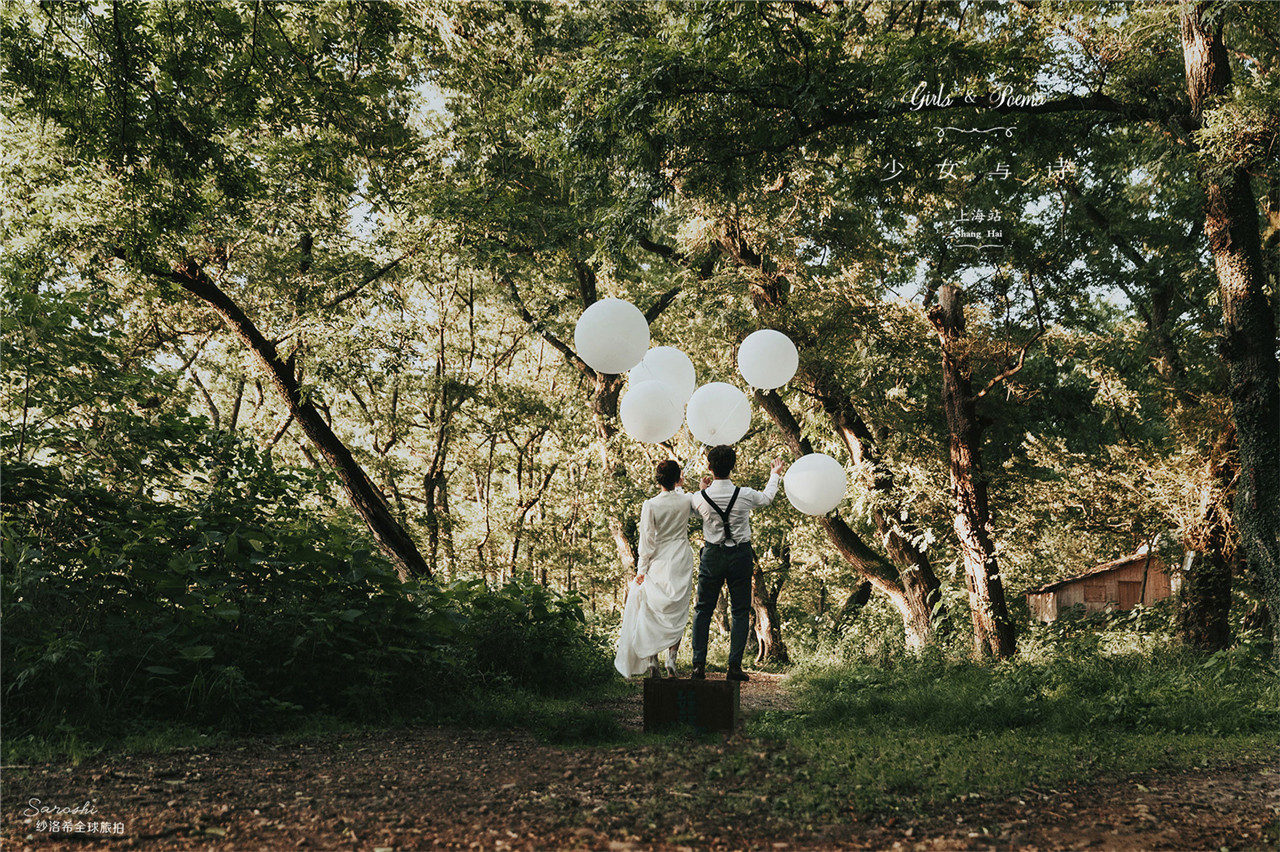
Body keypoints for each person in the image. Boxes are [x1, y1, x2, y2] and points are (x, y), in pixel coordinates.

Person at [688, 445, 785, 682]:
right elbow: (767, 498)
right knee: (740, 611)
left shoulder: (699, 498)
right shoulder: (745, 494)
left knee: (703, 610)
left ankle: (698, 666)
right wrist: (775, 475)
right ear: (733, 467)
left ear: (709, 467)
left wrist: (702, 491)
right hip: (740, 555)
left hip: (712, 555)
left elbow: (696, 513)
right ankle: (734, 667)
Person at [614, 460, 696, 679]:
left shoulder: (650, 505)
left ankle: (652, 660)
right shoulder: (686, 500)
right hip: (680, 558)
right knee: (677, 610)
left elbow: (647, 540)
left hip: (658, 560)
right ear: (677, 478)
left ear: (659, 480)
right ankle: (672, 659)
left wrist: (642, 569)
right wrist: (684, 488)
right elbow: (691, 506)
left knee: (651, 609)